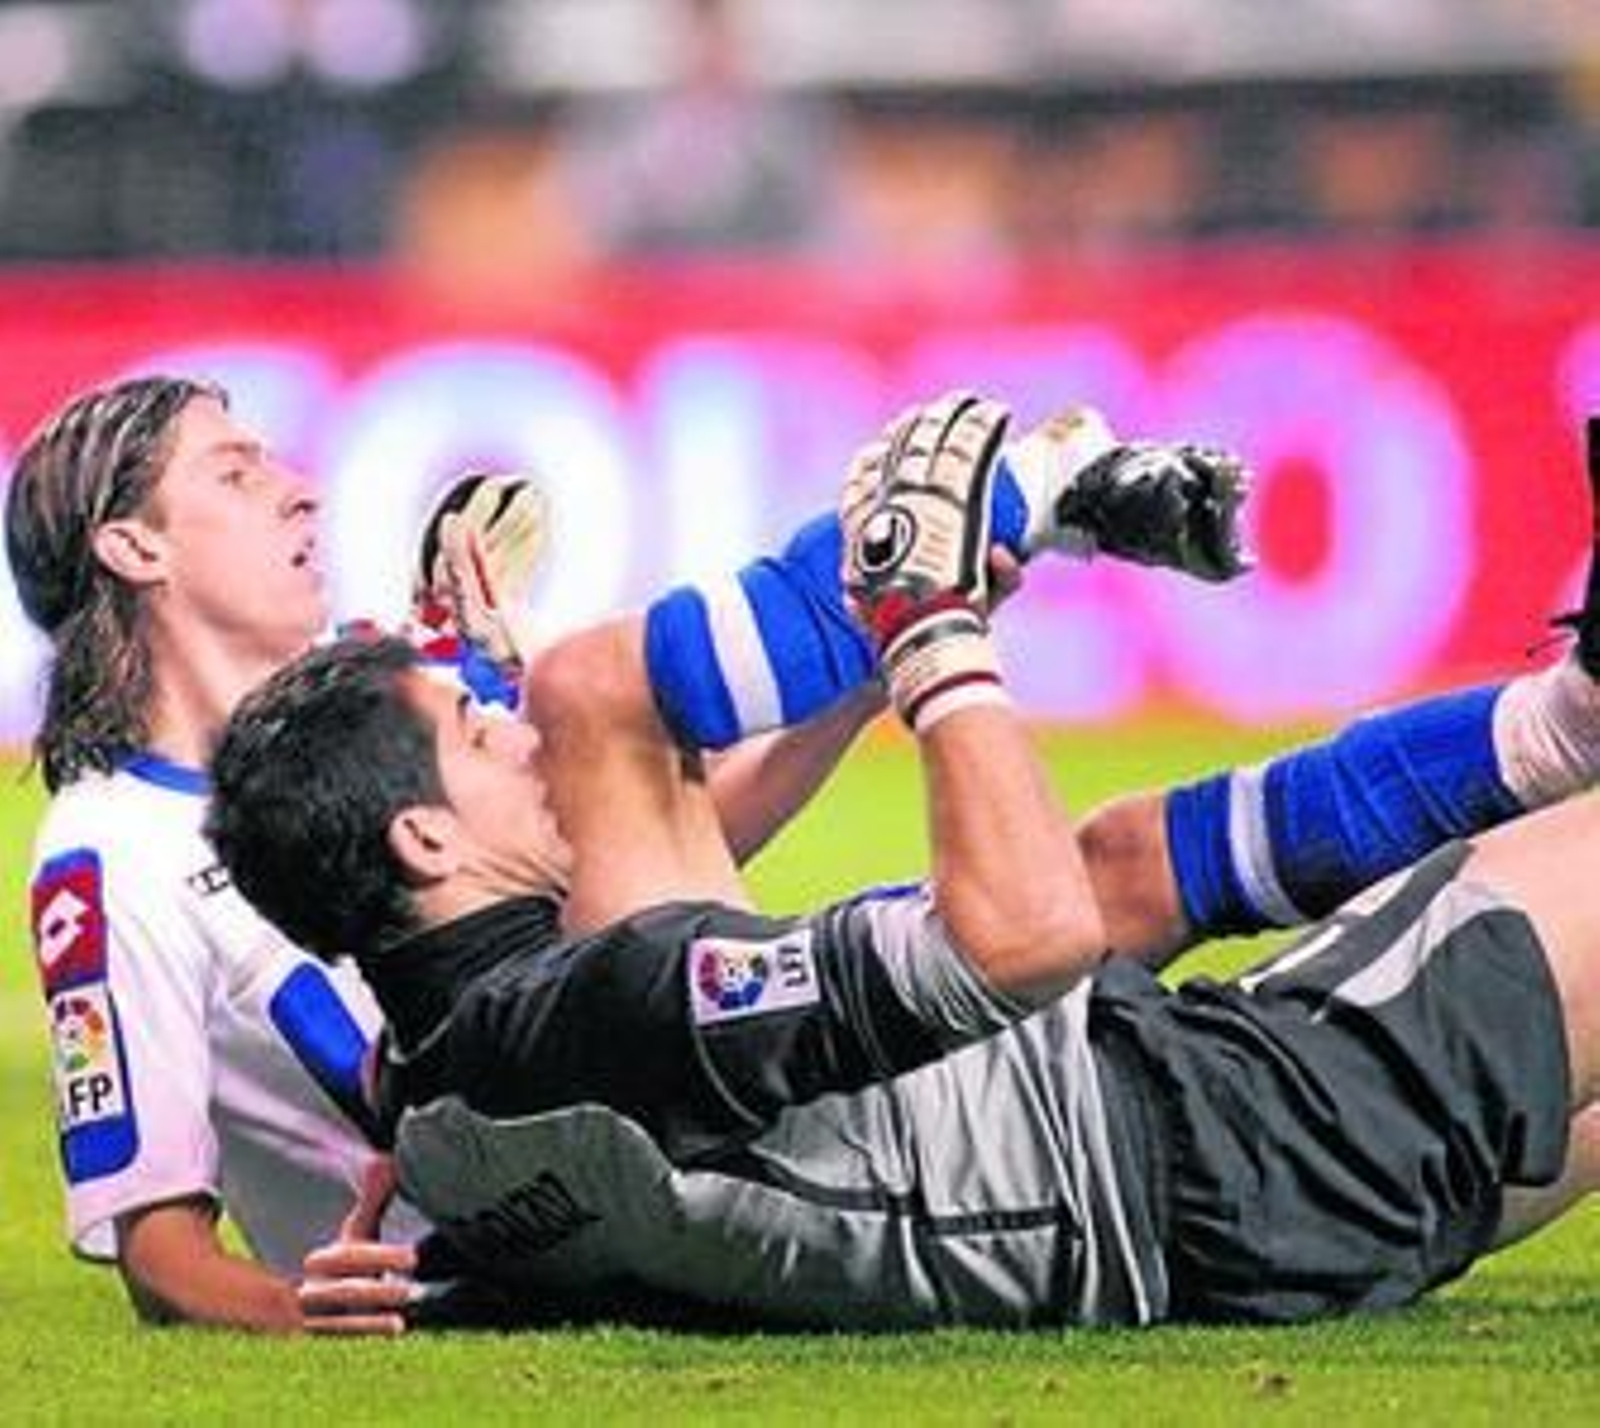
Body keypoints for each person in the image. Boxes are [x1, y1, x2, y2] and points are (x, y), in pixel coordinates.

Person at [207, 392, 1600, 1335]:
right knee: (1043, 884)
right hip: (1251, 1144)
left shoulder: (445, 1083)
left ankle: (1563, 721)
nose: (508, 731)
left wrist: (441, 1279)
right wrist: (930, 634)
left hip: (1204, 1203)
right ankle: (1003, 515)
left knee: (1121, 857)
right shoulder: (599, 1011)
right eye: (471, 728)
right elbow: (1022, 937)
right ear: (424, 839)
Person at [3, 374, 1244, 1330]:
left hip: (646, 1141)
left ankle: (985, 527)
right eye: (233, 472)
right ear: (133, 547)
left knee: (1096, 874)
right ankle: (1043, 475)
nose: (297, 487)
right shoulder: (109, 854)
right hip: (523, 1216)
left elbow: (640, 874)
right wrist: (310, 1315)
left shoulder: (380, 710)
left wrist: (874, 675)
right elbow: (160, 1249)